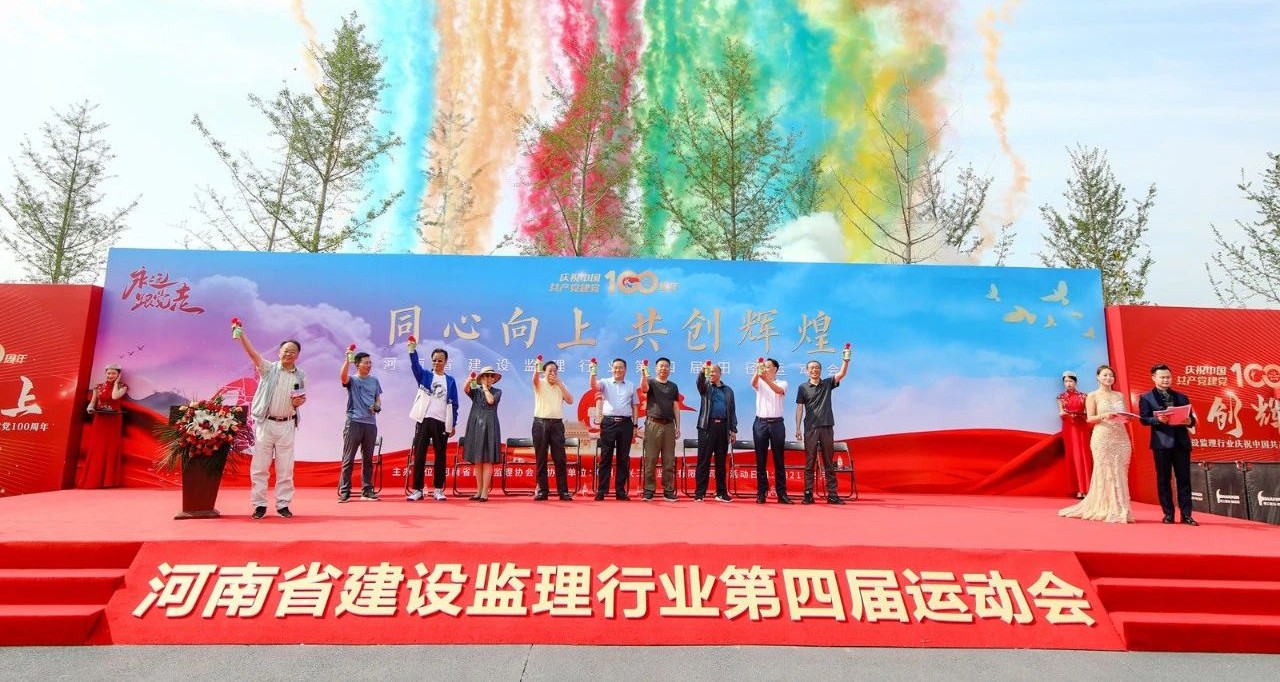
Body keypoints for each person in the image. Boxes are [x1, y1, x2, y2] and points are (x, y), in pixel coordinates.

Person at [235, 329, 306, 519]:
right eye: (285, 350)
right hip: (265, 424)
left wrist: (300, 401)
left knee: (285, 468)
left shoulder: (300, 375)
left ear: (297, 356)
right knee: (260, 467)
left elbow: (300, 397)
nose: (288, 354)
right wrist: (242, 335)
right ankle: (259, 505)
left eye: (292, 351)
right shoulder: (268, 369)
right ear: (279, 352)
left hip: (287, 424)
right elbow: (253, 354)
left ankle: (283, 504)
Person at [1058, 365, 1134, 523]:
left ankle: (1121, 508)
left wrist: (1128, 417)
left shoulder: (1119, 395)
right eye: (1105, 375)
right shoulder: (1093, 395)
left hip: (1121, 436)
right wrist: (1104, 415)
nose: (1108, 378)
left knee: (1120, 471)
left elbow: (1125, 414)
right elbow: (1090, 418)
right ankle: (1104, 507)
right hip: (1102, 436)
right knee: (1105, 471)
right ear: (1098, 378)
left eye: (1111, 375)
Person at [1139, 363, 1199, 526]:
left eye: (1168, 377)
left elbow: (1192, 419)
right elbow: (1143, 419)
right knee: (1163, 480)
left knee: (1184, 480)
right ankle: (1168, 514)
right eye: (1162, 377)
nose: (1166, 380)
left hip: (1181, 443)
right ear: (1154, 378)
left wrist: (1189, 421)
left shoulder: (1182, 397)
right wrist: (1157, 419)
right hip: (1162, 444)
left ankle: (1186, 515)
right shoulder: (1146, 398)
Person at [794, 354, 850, 505]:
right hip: (810, 428)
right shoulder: (803, 387)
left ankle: (832, 494)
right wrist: (797, 428)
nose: (814, 370)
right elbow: (799, 408)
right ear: (807, 371)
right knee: (810, 462)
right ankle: (808, 494)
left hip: (826, 427)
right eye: (812, 368)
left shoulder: (827, 384)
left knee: (828, 462)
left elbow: (842, 373)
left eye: (817, 368)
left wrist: (845, 360)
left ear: (821, 370)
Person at [407, 343, 459, 501]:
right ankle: (417, 490)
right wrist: (412, 351)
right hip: (424, 420)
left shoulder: (450, 381)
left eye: (440, 360)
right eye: (434, 360)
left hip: (441, 422)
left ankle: (438, 490)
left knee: (440, 456)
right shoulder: (425, 376)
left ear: (446, 362)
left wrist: (453, 424)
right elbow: (415, 366)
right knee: (420, 455)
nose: (437, 363)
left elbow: (454, 405)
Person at [592, 358, 639, 500]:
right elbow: (593, 385)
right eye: (615, 367)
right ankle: (602, 490)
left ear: (625, 369)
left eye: (620, 367)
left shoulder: (631, 386)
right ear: (611, 369)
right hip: (609, 422)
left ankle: (620, 491)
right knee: (605, 457)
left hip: (626, 423)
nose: (617, 370)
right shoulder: (605, 382)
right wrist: (593, 371)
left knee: (623, 458)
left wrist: (635, 425)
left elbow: (635, 406)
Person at [337, 351, 382, 503]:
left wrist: (376, 407)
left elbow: (378, 399)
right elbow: (343, 377)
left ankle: (367, 490)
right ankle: (345, 491)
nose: (369, 365)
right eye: (365, 363)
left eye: (370, 363)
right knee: (348, 458)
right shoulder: (353, 380)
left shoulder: (374, 381)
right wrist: (347, 361)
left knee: (368, 459)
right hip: (354, 422)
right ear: (357, 365)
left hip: (370, 424)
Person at [79, 363, 128, 489]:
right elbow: (93, 402)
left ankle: (109, 481)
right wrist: (90, 408)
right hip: (100, 419)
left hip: (114, 420)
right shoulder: (98, 387)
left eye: (114, 373)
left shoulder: (123, 386)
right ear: (105, 373)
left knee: (111, 447)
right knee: (97, 446)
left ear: (118, 375)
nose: (110, 375)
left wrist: (116, 383)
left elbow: (114, 396)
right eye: (109, 373)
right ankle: (94, 480)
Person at [532, 359, 574, 501]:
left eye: (555, 371)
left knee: (560, 459)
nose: (552, 373)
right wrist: (536, 368)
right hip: (540, 423)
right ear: (544, 372)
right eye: (550, 370)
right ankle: (543, 491)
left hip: (556, 424)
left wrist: (559, 383)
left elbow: (570, 400)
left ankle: (563, 491)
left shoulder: (560, 385)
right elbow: (534, 379)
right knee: (541, 458)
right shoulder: (539, 383)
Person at [638, 357, 680, 501]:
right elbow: (644, 388)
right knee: (650, 459)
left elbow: (676, 407)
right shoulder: (651, 382)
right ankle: (649, 489)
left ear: (670, 369)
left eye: (666, 366)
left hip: (669, 425)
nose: (664, 368)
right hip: (653, 424)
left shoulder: (673, 386)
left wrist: (678, 426)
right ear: (656, 368)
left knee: (668, 460)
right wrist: (643, 374)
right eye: (661, 366)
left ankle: (668, 490)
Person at [694, 362, 737, 502]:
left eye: (714, 371)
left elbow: (732, 411)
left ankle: (721, 493)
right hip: (707, 427)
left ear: (720, 373)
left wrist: (733, 429)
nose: (711, 374)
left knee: (721, 462)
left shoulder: (728, 391)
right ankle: (700, 493)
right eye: (709, 371)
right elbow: (700, 382)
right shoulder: (705, 387)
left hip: (723, 428)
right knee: (703, 461)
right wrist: (702, 372)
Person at [751, 358, 792, 504]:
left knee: (779, 460)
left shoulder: (782, 383)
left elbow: (778, 391)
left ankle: (782, 494)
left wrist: (766, 379)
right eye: (764, 366)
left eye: (768, 366)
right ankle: (761, 493)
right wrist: (758, 370)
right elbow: (753, 383)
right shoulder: (759, 381)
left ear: (775, 369)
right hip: (760, 423)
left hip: (777, 424)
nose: (765, 369)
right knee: (760, 460)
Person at [463, 366, 503, 501]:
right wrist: (468, 381)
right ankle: (479, 491)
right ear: (481, 378)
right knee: (478, 461)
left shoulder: (497, 391)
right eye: (486, 376)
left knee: (487, 460)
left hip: (490, 426)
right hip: (476, 425)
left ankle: (485, 492)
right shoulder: (476, 390)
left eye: (492, 376)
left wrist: (485, 388)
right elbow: (466, 390)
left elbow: (490, 401)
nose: (489, 378)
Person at [1058, 371, 1092, 499]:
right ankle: (1078, 488)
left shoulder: (1084, 396)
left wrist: (1080, 416)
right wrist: (1064, 414)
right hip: (1069, 427)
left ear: (1076, 382)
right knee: (1073, 455)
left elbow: (1089, 413)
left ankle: (1087, 488)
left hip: (1081, 427)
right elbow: (1061, 413)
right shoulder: (1061, 397)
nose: (1068, 384)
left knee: (1084, 455)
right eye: (1066, 381)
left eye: (1070, 381)